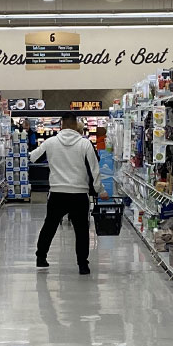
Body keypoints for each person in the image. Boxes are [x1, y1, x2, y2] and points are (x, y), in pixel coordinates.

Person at [30, 112, 108, 274]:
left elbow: (33, 157)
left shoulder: (50, 142)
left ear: (61, 125)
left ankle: (41, 258)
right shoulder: (85, 144)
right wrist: (100, 190)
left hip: (57, 193)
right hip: (79, 194)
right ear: (75, 124)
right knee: (81, 231)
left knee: (49, 226)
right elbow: (95, 170)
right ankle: (82, 265)